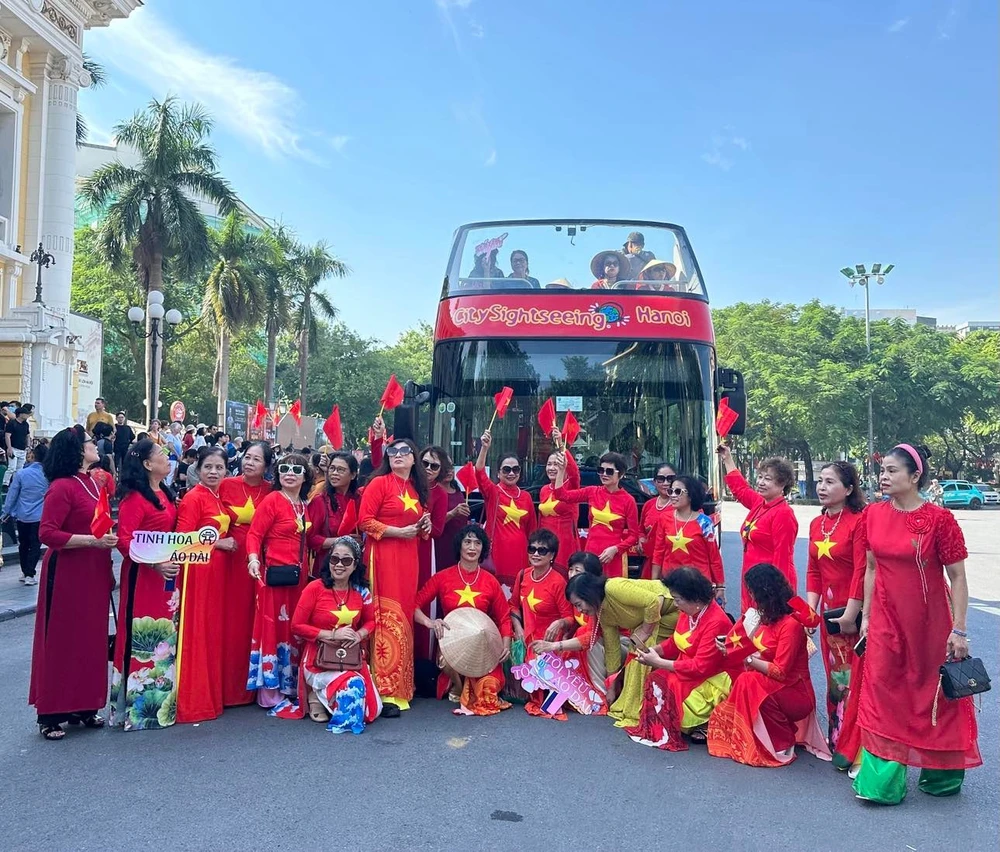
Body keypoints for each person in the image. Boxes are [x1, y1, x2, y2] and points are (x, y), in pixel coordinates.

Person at [852, 444, 980, 805]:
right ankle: (881, 785)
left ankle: (941, 777)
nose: (884, 477)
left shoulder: (940, 520)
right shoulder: (872, 515)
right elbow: (872, 569)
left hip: (930, 623)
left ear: (914, 476)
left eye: (892, 471)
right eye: (882, 470)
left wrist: (960, 628)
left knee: (932, 692)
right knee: (882, 694)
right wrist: (867, 617)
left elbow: (957, 577)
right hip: (885, 621)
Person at [28, 427, 118, 740]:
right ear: (79, 451)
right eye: (91, 443)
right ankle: (50, 712)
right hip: (66, 571)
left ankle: (85, 706)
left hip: (94, 570)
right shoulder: (62, 487)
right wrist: (92, 541)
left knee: (90, 640)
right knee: (61, 640)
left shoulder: (94, 483)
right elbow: (47, 533)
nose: (96, 446)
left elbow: (101, 526)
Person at [708, 563, 829, 767]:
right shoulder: (766, 617)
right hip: (775, 688)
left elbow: (780, 672)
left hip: (794, 693)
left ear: (764, 594)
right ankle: (773, 735)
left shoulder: (790, 625)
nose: (751, 598)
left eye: (753, 593)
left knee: (748, 680)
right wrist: (735, 649)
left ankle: (783, 740)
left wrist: (747, 658)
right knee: (745, 678)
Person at [626, 567, 742, 749]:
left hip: (711, 677)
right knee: (656, 678)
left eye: (678, 599)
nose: (675, 604)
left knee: (668, 683)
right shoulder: (689, 613)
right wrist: (652, 650)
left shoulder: (716, 622)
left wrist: (659, 662)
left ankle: (704, 721)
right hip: (688, 667)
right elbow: (676, 641)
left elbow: (700, 667)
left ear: (695, 600)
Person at [358, 438, 432, 717]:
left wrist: (426, 525)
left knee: (404, 616)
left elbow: (422, 530)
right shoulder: (380, 484)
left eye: (404, 452)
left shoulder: (415, 489)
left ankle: (401, 687)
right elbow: (364, 520)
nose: (398, 455)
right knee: (384, 616)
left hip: (408, 559)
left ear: (414, 459)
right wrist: (396, 532)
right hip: (383, 557)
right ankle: (382, 690)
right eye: (393, 451)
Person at [111, 439, 180, 731]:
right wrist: (154, 564)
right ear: (147, 464)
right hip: (143, 576)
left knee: (165, 640)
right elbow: (124, 541)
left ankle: (162, 706)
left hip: (167, 576)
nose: (167, 458)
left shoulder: (165, 493)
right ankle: (135, 711)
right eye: (161, 455)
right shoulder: (135, 499)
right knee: (140, 635)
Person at [413, 524, 513, 716]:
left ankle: (470, 687)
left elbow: (504, 617)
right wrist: (431, 623)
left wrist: (506, 645)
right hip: (451, 645)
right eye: (467, 542)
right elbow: (414, 605)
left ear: (483, 548)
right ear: (459, 546)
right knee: (448, 663)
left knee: (488, 691)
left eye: (477, 543)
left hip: (483, 648)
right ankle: (458, 687)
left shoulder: (490, 580)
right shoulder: (443, 577)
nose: (472, 547)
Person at [804, 461, 866, 753]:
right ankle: (838, 736)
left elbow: (861, 571)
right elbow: (813, 571)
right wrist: (810, 611)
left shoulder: (858, 521)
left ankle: (857, 744)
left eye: (830, 482)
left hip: (853, 613)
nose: (822, 487)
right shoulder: (817, 524)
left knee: (855, 676)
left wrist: (851, 614)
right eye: (820, 481)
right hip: (828, 614)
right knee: (835, 676)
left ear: (849, 489)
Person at [246, 453, 315, 715]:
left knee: (293, 629)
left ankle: (289, 686)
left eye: (296, 469)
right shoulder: (273, 500)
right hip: (273, 576)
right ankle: (269, 691)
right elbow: (254, 534)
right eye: (284, 468)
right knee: (272, 629)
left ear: (305, 476)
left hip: (297, 579)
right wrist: (253, 560)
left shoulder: (303, 505)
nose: (289, 473)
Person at [173, 446, 238, 724]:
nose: (213, 472)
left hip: (217, 574)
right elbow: (182, 539)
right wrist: (220, 542)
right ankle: (195, 702)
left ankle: (211, 697)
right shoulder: (193, 498)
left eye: (219, 468)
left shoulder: (217, 496)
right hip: (198, 573)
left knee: (211, 633)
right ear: (197, 469)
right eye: (208, 467)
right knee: (197, 633)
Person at [289, 537, 381, 731]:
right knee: (353, 688)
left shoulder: (361, 592)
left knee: (372, 712)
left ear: (355, 564)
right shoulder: (314, 588)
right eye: (334, 559)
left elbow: (371, 621)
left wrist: (359, 634)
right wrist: (332, 635)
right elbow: (296, 626)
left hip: (350, 659)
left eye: (346, 560)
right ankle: (316, 693)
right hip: (317, 661)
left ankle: (325, 697)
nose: (339, 565)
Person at [565, 571, 679, 728]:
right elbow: (612, 650)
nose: (579, 611)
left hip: (672, 609)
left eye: (579, 604)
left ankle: (648, 708)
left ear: (588, 594)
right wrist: (611, 687)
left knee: (641, 653)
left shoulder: (613, 587)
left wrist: (645, 631)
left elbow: (653, 601)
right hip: (650, 622)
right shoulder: (602, 614)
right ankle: (643, 706)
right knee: (637, 653)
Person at [218, 441, 273, 707]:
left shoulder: (272, 492)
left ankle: (251, 686)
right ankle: (226, 688)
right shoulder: (225, 485)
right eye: (247, 457)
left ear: (266, 466)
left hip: (259, 562)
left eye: (256, 460)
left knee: (255, 622)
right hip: (229, 561)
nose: (249, 462)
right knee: (231, 622)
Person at [717, 444, 798, 610]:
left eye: (767, 479)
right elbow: (740, 488)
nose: (760, 482)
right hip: (750, 579)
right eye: (760, 477)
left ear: (782, 484)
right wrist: (728, 459)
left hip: (768, 586)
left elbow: (782, 558)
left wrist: (775, 595)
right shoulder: (759, 503)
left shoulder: (783, 514)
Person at [509, 529, 574, 718]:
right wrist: (518, 626)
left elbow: (570, 618)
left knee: (540, 688)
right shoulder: (523, 575)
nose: (536, 554)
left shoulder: (558, 582)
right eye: (532, 549)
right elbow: (513, 605)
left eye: (542, 550)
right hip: (526, 639)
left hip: (548, 644)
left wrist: (559, 623)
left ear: (552, 555)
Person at [552, 450, 640, 579]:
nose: (604, 474)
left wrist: (616, 549)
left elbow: (634, 536)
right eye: (601, 470)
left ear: (621, 475)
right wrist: (561, 470)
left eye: (609, 471)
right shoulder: (592, 492)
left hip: (613, 558)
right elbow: (561, 495)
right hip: (591, 555)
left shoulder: (628, 500)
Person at [475, 430, 537, 593]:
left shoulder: (526, 497)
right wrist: (484, 448)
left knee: (516, 595)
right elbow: (479, 472)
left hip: (521, 554)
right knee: (495, 594)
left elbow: (532, 531)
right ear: (498, 473)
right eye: (506, 469)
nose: (511, 473)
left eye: (515, 469)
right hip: (497, 553)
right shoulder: (493, 492)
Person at [650, 475, 725, 601]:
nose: (673, 495)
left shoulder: (704, 522)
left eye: (678, 491)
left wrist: (720, 587)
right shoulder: (664, 519)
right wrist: (653, 583)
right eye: (671, 491)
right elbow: (658, 552)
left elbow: (714, 556)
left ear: (691, 495)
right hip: (671, 584)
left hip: (697, 585)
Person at [414, 445, 454, 660]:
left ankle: (421, 659)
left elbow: (437, 531)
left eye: (434, 466)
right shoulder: (408, 484)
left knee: (421, 597)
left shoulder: (439, 493)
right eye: (425, 463)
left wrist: (426, 524)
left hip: (423, 549)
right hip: (400, 546)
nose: (428, 468)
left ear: (441, 470)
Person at [2, 442, 49, 585]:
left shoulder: (22, 473)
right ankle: (30, 573)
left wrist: (6, 512)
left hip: (22, 515)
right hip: (39, 515)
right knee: (35, 544)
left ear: (34, 456)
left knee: (23, 544)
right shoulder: (48, 476)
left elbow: (12, 495)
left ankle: (25, 571)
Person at [306, 451, 361, 573]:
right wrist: (341, 541)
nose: (334, 473)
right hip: (327, 565)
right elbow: (310, 538)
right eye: (332, 468)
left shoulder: (359, 498)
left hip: (354, 566)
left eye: (341, 470)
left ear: (353, 475)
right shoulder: (320, 500)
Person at [537, 431, 581, 575]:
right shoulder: (544, 489)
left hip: (565, 543)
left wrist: (561, 445)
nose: (552, 468)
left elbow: (574, 472)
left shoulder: (571, 486)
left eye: (557, 464)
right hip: (544, 543)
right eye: (549, 464)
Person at [432, 449, 471, 572]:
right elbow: (432, 523)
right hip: (440, 546)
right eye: (444, 467)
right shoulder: (433, 490)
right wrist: (453, 513)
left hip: (458, 544)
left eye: (451, 466)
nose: (449, 471)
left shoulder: (456, 488)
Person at [637, 463, 676, 580]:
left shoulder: (683, 505)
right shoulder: (649, 505)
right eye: (661, 479)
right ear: (654, 482)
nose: (666, 483)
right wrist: (641, 538)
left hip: (674, 563)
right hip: (651, 563)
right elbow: (640, 529)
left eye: (670, 479)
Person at [3, 405, 31, 487]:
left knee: (19, 469)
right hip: (14, 448)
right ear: (21, 414)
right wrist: (9, 448)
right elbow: (7, 436)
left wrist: (28, 446)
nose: (27, 415)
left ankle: (15, 484)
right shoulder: (12, 423)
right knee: (12, 467)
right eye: (26, 414)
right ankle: (5, 483)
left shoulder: (26, 424)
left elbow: (28, 435)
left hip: (22, 449)